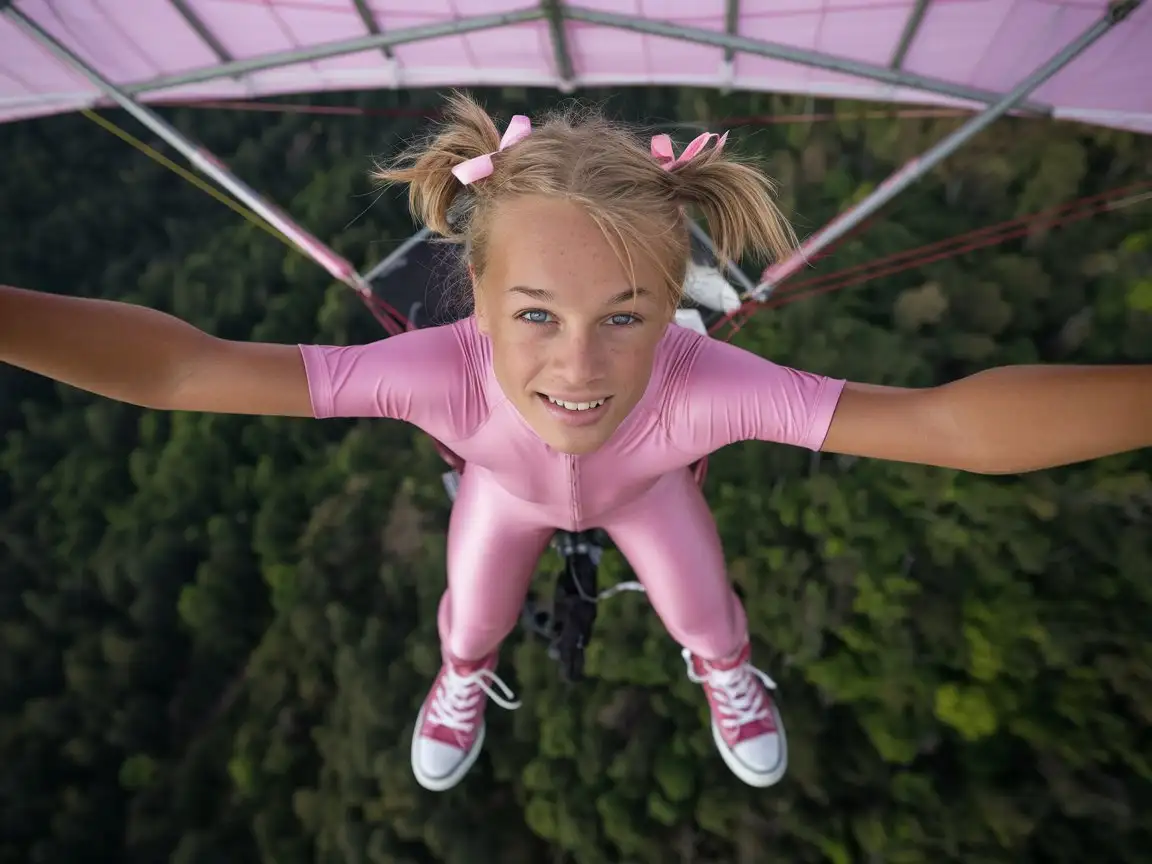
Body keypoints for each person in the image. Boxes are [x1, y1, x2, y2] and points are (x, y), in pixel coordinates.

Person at [1, 92, 1148, 794]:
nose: (581, 370)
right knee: (471, 617)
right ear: (476, 296)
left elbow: (946, 424)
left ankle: (721, 671)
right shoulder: (437, 372)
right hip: (509, 492)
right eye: (536, 316)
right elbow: (186, 367)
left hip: (643, 488)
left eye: (627, 318)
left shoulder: (703, 381)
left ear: (672, 302)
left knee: (707, 616)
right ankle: (463, 677)